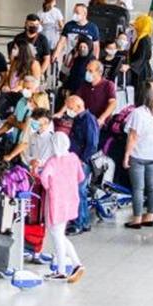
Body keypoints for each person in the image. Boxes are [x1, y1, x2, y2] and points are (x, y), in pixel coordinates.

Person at [39, 133, 86, 282]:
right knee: (60, 234)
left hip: (56, 201)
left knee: (57, 235)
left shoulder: (53, 161)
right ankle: (75, 264)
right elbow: (81, 178)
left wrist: (50, 186)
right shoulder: (74, 158)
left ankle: (62, 269)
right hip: (70, 200)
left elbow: (44, 179)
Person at [123, 86, 153, 229]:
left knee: (138, 189)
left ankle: (136, 219)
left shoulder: (138, 113)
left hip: (138, 154)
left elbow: (133, 136)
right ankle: (150, 217)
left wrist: (127, 155)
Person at [61, 95, 99, 235]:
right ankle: (83, 221)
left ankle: (79, 223)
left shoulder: (88, 120)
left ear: (78, 106)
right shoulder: (78, 119)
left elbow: (92, 144)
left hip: (82, 162)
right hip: (75, 160)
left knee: (79, 192)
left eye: (70, 108)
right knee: (78, 191)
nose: (68, 111)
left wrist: (82, 160)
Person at [126, 15, 153, 84]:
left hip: (142, 71)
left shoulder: (144, 40)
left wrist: (130, 66)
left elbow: (142, 57)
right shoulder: (140, 37)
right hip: (139, 70)